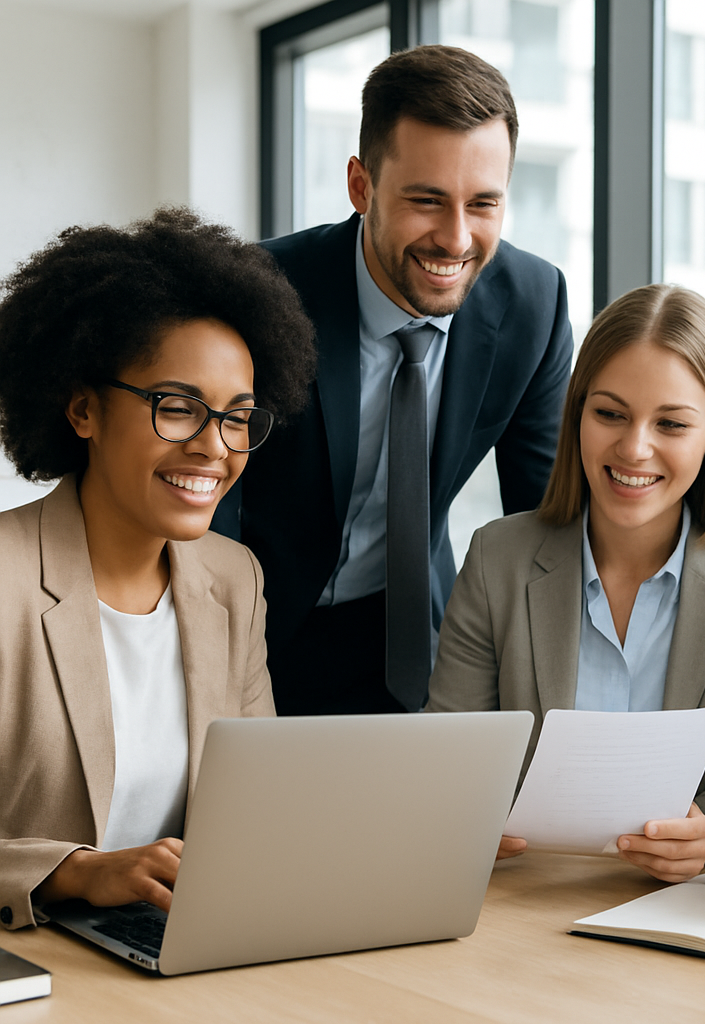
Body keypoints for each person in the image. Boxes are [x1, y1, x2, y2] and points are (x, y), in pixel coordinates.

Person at [212, 45, 572, 717]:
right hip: (252, 627)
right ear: (361, 185)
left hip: (412, 639)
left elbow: (545, 520)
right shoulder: (258, 291)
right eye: (427, 200)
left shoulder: (534, 303)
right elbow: (211, 502)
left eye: (483, 203)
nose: (456, 239)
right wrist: (212, 666)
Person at [0, 208, 317, 930]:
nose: (214, 447)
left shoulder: (234, 579)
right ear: (83, 409)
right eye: (178, 408)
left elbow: (257, 807)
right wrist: (75, 872)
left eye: (237, 417)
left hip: (177, 945)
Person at [427, 284, 705, 882]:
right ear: (577, 412)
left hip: (681, 906)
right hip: (517, 900)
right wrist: (460, 813)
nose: (634, 448)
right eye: (609, 414)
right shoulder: (498, 558)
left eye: (671, 423)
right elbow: (448, 761)